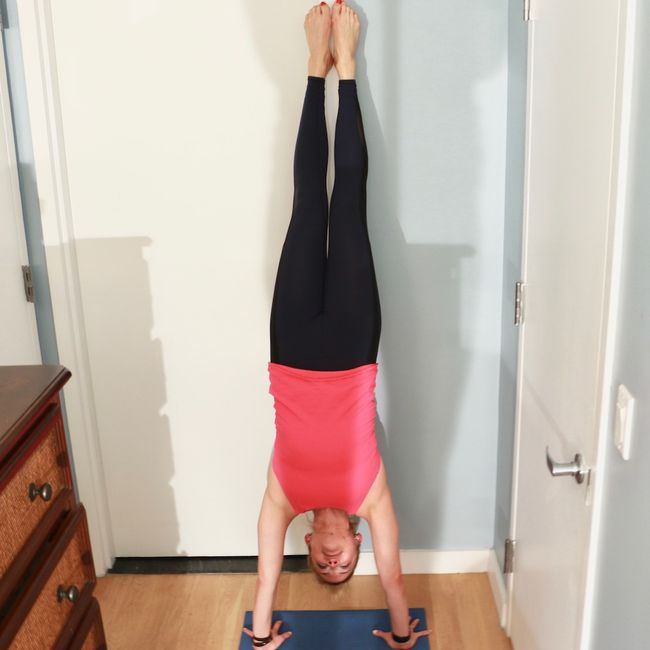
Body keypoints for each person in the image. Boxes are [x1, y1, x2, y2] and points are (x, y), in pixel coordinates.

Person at [243, 2, 432, 648]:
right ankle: (343, 69)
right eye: (344, 564)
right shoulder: (371, 494)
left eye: (322, 566)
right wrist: (403, 637)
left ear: (307, 542)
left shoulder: (281, 496)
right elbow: (399, 586)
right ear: (354, 542)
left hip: (291, 345)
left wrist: (264, 637)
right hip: (353, 345)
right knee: (344, 203)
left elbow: (263, 586)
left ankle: (311, 70)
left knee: (305, 200)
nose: (332, 564)